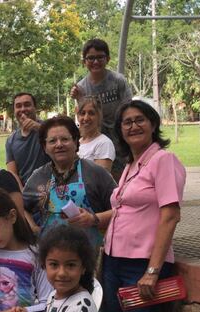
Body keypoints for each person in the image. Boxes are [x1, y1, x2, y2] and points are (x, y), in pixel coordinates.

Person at [103, 100, 186, 312]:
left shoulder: (163, 161)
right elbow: (125, 210)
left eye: (139, 120)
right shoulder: (130, 165)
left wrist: (152, 270)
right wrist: (93, 219)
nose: (133, 126)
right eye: (126, 122)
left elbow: (170, 214)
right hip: (114, 262)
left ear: (153, 124)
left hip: (140, 268)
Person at [22, 115, 117, 248]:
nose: (59, 144)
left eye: (65, 139)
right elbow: (21, 207)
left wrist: (93, 219)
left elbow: (121, 210)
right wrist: (33, 228)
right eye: (52, 141)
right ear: (45, 147)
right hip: (50, 258)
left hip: (91, 257)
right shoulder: (38, 176)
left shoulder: (96, 173)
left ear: (75, 142)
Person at [71, 38, 133, 178]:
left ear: (108, 59)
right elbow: (85, 116)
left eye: (100, 57)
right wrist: (78, 98)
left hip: (120, 139)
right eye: (91, 58)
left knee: (122, 177)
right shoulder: (82, 87)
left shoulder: (118, 81)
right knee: (100, 177)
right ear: (84, 61)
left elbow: (128, 110)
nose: (96, 62)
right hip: (96, 142)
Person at [5, 93, 50, 187]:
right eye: (18, 106)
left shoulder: (49, 127)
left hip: (51, 189)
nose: (22, 109)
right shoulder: (10, 141)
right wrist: (22, 194)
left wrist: (39, 128)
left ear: (35, 108)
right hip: (26, 192)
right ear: (14, 111)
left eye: (27, 105)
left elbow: (59, 139)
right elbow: (13, 174)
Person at [77, 96, 116, 172]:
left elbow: (99, 179)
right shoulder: (77, 142)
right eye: (82, 113)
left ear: (99, 116)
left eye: (91, 113)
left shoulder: (104, 143)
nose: (86, 118)